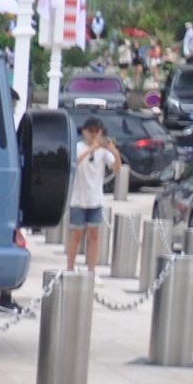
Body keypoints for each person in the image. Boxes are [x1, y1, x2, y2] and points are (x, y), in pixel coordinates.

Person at [65, 115, 117, 273]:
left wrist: (113, 150)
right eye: (91, 131)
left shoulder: (103, 151)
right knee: (77, 234)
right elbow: (74, 163)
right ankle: (70, 268)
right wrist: (91, 149)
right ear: (84, 131)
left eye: (98, 131)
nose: (95, 134)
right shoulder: (79, 147)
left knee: (94, 235)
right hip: (78, 199)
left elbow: (116, 167)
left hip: (95, 199)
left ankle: (91, 270)